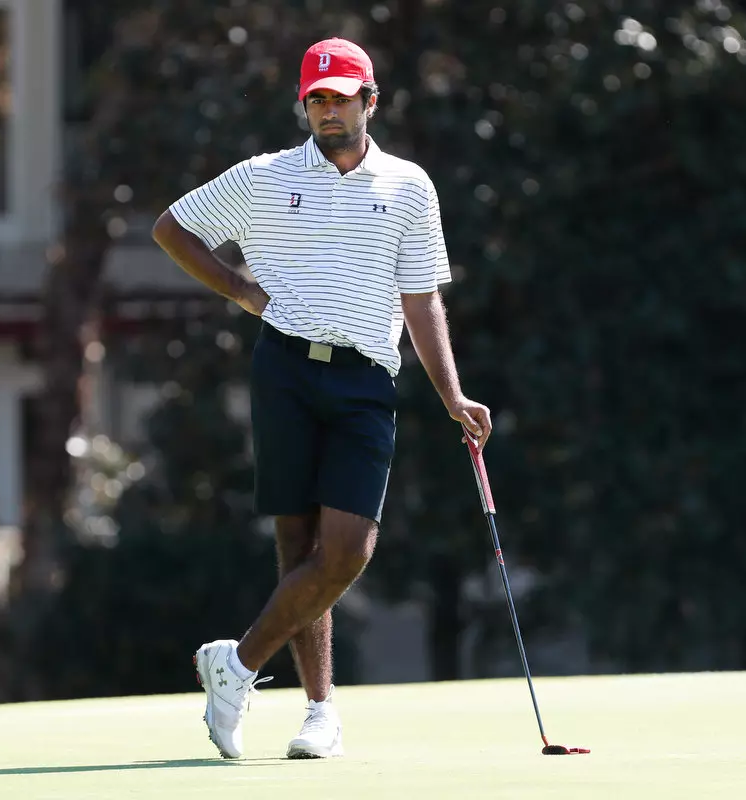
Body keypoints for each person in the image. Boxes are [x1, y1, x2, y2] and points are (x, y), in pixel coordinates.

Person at [151, 36, 492, 760]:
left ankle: (234, 665)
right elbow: (172, 229)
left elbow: (421, 294)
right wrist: (240, 289)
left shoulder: (409, 186)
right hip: (285, 372)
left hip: (366, 378)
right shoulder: (265, 176)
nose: (328, 111)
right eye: (317, 100)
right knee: (295, 546)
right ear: (303, 105)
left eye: (340, 98)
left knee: (345, 552)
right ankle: (318, 713)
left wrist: (452, 393)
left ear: (371, 101)